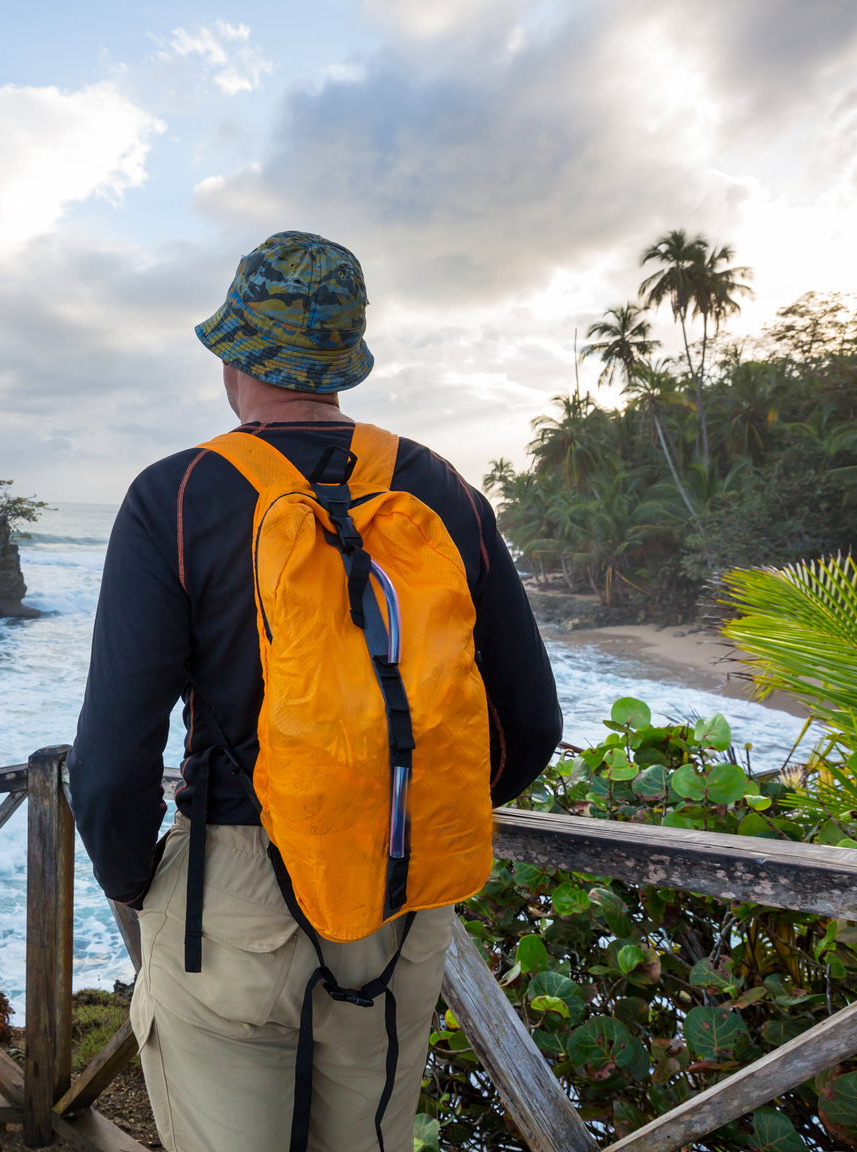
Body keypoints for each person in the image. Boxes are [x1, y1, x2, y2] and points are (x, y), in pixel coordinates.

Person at [67, 231, 561, 1152]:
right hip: (400, 891)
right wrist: (407, 809)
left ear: (232, 354)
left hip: (232, 895)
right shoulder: (443, 489)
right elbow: (530, 725)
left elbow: (107, 765)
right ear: (345, 361)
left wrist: (143, 887)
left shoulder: (175, 496)